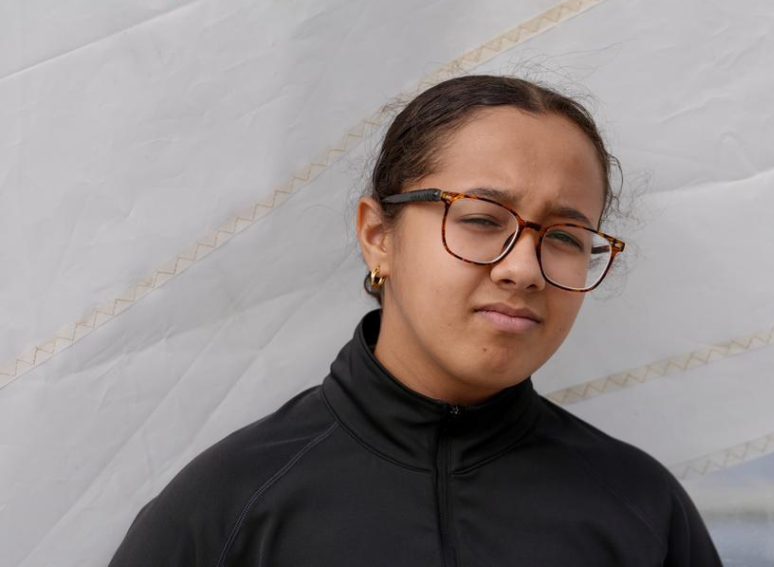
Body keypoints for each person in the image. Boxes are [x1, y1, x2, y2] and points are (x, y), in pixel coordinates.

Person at [109, 74, 722, 566]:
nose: (523, 269)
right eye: (481, 219)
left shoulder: (642, 509)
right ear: (379, 236)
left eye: (565, 237)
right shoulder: (229, 506)